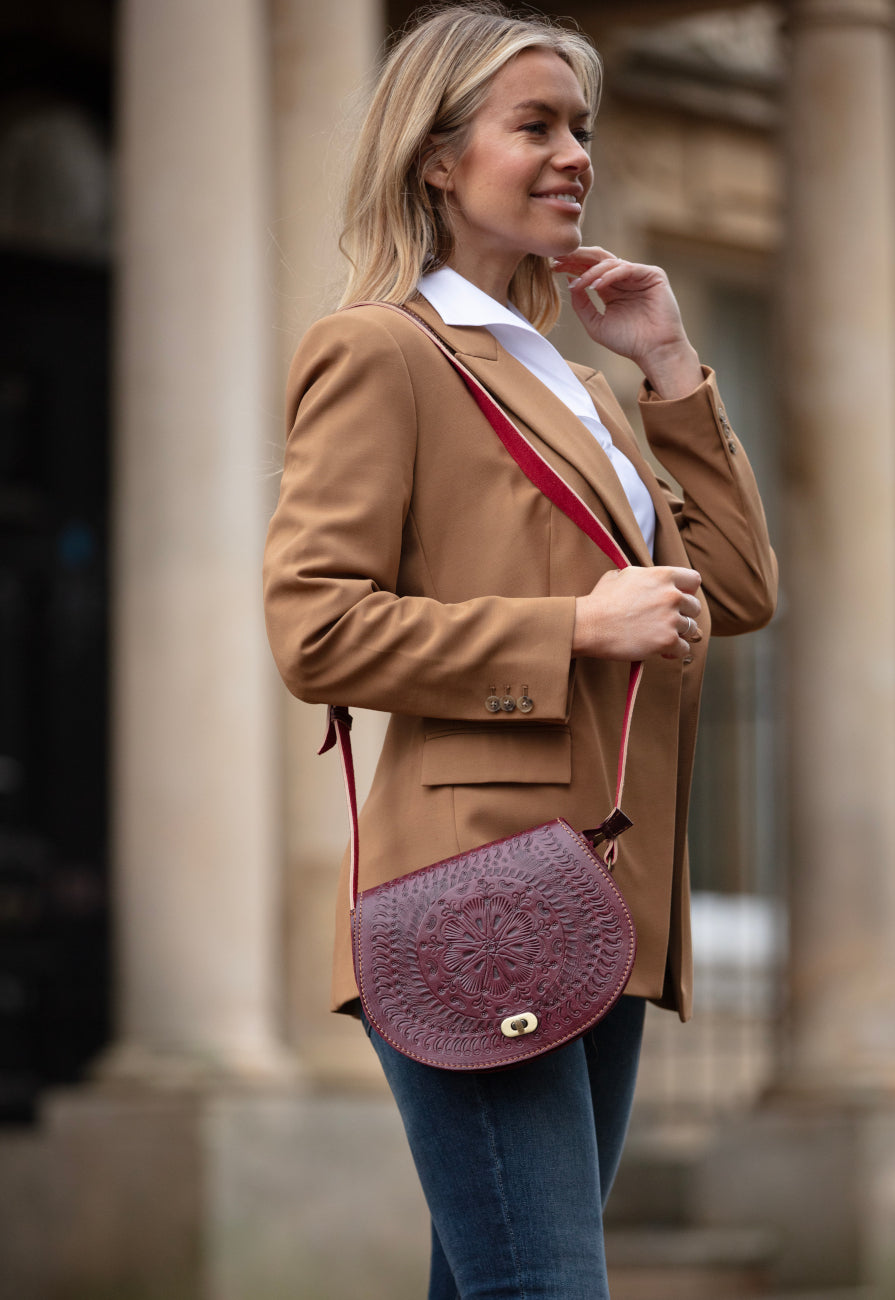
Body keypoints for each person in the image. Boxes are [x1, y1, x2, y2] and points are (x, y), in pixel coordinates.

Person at [263, 4, 777, 1297]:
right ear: (438, 160)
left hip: (601, 899)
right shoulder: (382, 354)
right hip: (475, 899)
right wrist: (575, 629)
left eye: (583, 129)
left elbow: (741, 589)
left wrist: (667, 364)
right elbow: (314, 625)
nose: (574, 155)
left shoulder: (584, 386)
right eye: (536, 125)